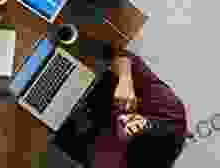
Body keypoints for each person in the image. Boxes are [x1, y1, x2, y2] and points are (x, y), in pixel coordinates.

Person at [53, 51, 188, 168]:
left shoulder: (112, 163)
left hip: (69, 128)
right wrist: (125, 79)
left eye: (125, 133)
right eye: (134, 125)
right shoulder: (169, 108)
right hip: (88, 79)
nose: (124, 121)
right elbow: (121, 55)